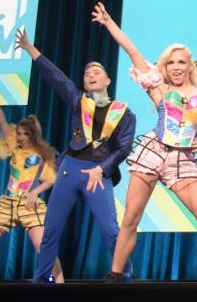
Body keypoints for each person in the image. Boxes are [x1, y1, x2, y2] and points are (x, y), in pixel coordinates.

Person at [89, 2, 197, 282]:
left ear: (190, 65)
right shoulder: (160, 88)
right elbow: (133, 51)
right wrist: (109, 22)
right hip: (153, 152)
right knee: (131, 219)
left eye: (181, 61)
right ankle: (115, 275)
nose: (175, 67)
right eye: (170, 62)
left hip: (183, 161)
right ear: (165, 67)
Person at [15, 29, 137, 283]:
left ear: (108, 81)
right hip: (70, 167)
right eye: (86, 73)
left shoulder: (124, 113)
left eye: (96, 72)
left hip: (98, 172)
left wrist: (102, 169)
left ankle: (124, 276)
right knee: (51, 229)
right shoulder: (79, 100)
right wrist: (30, 49)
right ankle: (41, 278)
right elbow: (56, 77)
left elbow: (123, 148)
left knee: (111, 230)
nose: (90, 75)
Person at [0, 80, 64, 283]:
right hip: (7, 203)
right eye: (18, 133)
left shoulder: (43, 153)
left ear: (33, 134)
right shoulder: (14, 148)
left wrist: (35, 192)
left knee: (44, 250)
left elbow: (51, 179)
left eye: (24, 134)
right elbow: (1, 120)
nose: (20, 137)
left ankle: (59, 285)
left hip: (30, 205)